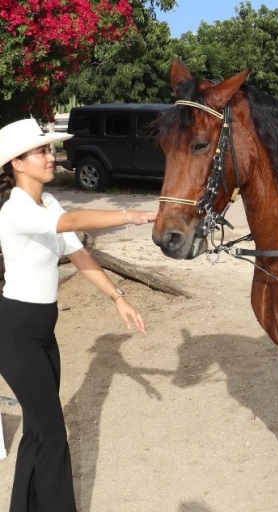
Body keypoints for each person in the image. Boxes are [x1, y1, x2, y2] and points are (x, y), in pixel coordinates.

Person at [0, 118, 158, 512]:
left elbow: (78, 252)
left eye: (51, 149)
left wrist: (118, 297)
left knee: (39, 430)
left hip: (41, 331)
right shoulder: (14, 210)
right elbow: (71, 223)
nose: (51, 157)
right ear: (17, 163)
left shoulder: (48, 202)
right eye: (42, 151)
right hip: (15, 332)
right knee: (52, 433)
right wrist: (129, 215)